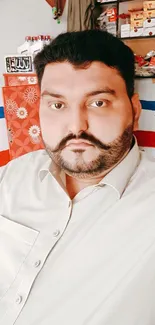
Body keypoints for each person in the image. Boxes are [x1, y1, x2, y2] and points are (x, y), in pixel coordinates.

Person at [0, 30, 155, 325]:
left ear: (135, 111)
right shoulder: (10, 178)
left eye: (98, 103)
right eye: (57, 105)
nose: (76, 126)